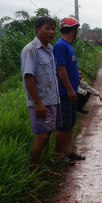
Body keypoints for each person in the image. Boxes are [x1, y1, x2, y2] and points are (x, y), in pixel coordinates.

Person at [21, 16, 61, 167]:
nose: (52, 32)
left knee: (48, 134)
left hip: (52, 99)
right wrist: (37, 103)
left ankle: (42, 168)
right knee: (42, 136)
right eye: (47, 28)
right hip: (40, 102)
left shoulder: (50, 49)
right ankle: (33, 170)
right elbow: (28, 77)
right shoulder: (30, 50)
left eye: (53, 28)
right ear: (37, 29)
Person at [54, 17, 84, 165]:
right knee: (63, 125)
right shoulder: (61, 46)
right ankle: (59, 154)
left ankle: (68, 151)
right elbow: (60, 68)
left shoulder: (68, 45)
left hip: (71, 92)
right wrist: (70, 89)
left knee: (70, 123)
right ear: (74, 31)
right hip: (65, 93)